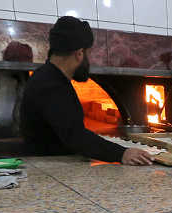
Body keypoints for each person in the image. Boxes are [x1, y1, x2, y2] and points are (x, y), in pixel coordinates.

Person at [20, 16, 153, 165]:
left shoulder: (48, 77)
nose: (89, 61)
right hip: (49, 169)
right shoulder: (50, 85)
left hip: (53, 165)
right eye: (89, 54)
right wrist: (122, 153)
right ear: (79, 54)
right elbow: (74, 135)